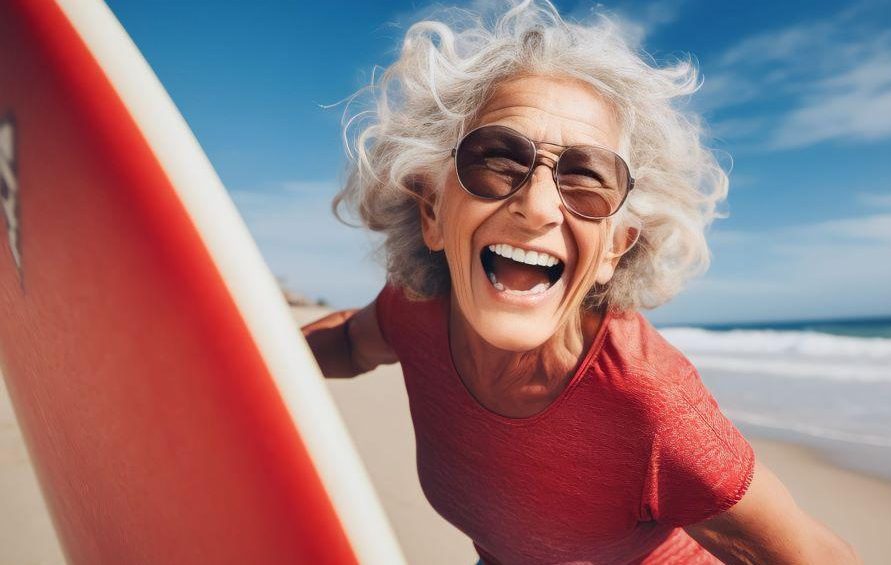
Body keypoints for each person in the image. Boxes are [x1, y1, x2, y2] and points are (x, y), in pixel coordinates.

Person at [304, 1, 860, 563]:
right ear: (431, 211)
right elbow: (348, 345)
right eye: (496, 160)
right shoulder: (416, 309)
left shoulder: (652, 408)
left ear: (614, 250)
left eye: (587, 178)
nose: (538, 207)